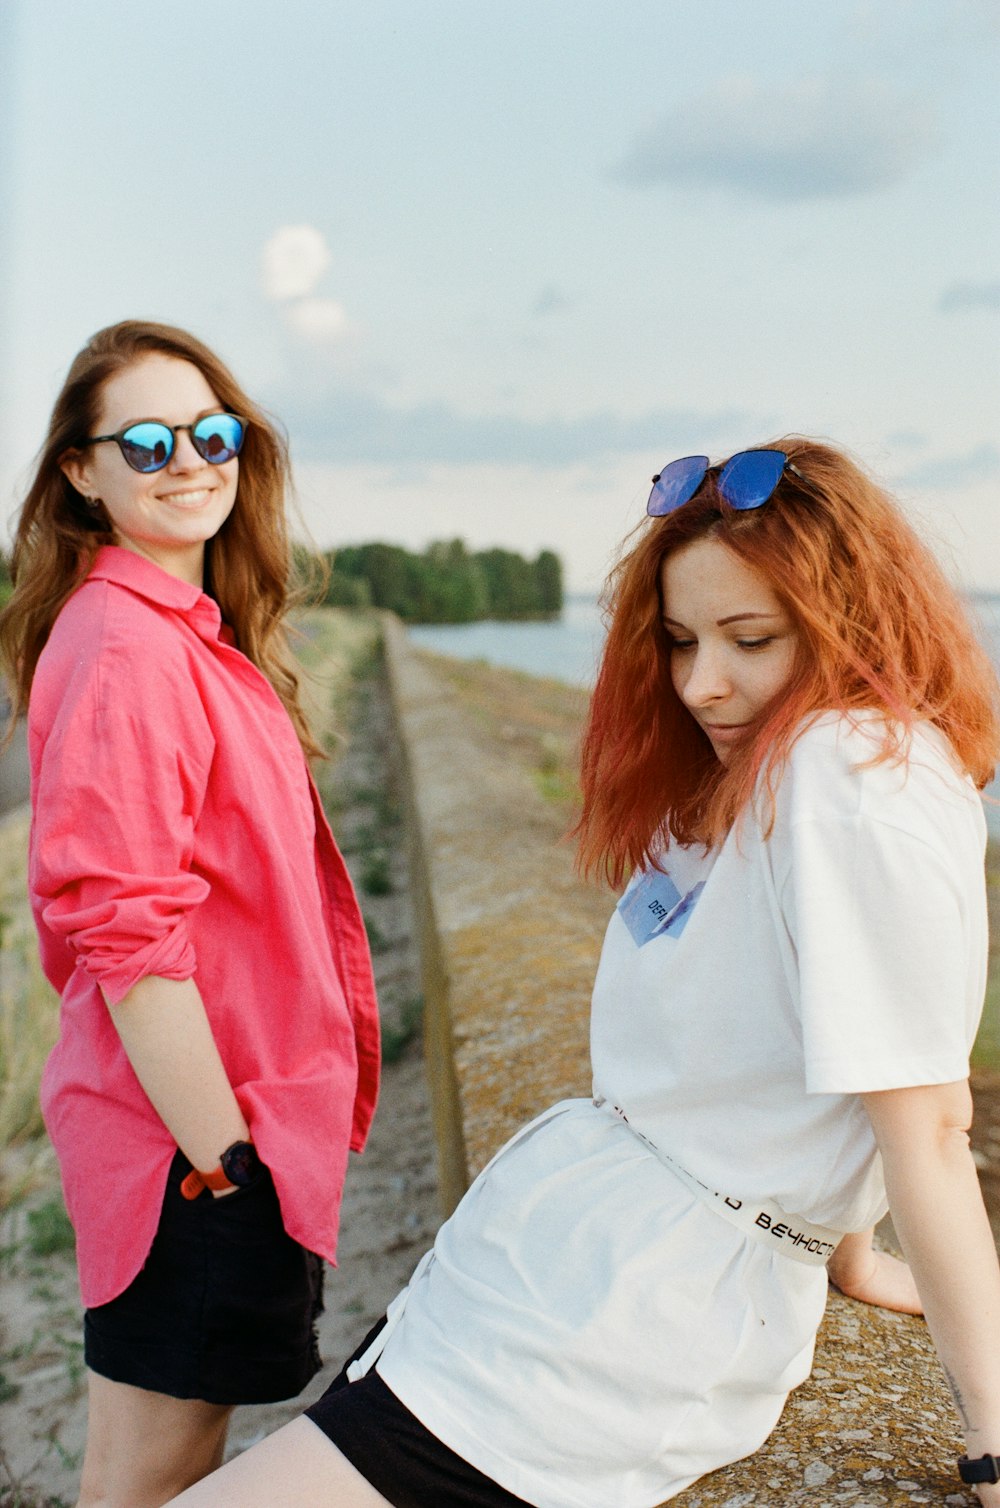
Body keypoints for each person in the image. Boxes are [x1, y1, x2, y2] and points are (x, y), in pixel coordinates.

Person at [169, 438, 1000, 1508]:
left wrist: (985, 1432)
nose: (703, 682)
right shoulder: (774, 771)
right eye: (679, 639)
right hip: (559, 1268)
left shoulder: (847, 775)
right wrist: (848, 1253)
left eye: (750, 638)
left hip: (621, 1326)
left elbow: (925, 1117)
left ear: (853, 620)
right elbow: (810, 1039)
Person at [0, 320, 381, 1508]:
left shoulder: (179, 634)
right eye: (147, 440)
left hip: (197, 1132)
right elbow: (127, 935)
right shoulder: (125, 645)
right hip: (190, 1143)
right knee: (158, 1476)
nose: (189, 460)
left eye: (210, 432)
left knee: (138, 1468)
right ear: (81, 470)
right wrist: (229, 1165)